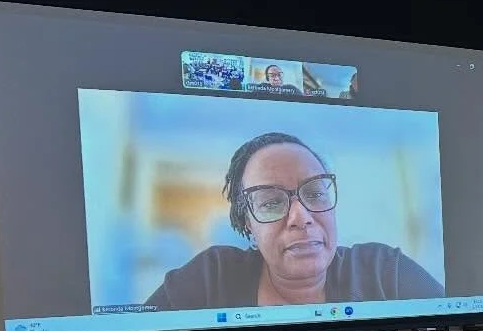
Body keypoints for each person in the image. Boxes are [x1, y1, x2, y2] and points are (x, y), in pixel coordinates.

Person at [146, 132, 443, 310]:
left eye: (314, 193)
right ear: (247, 224)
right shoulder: (211, 277)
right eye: (272, 202)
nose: (301, 218)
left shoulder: (384, 271)